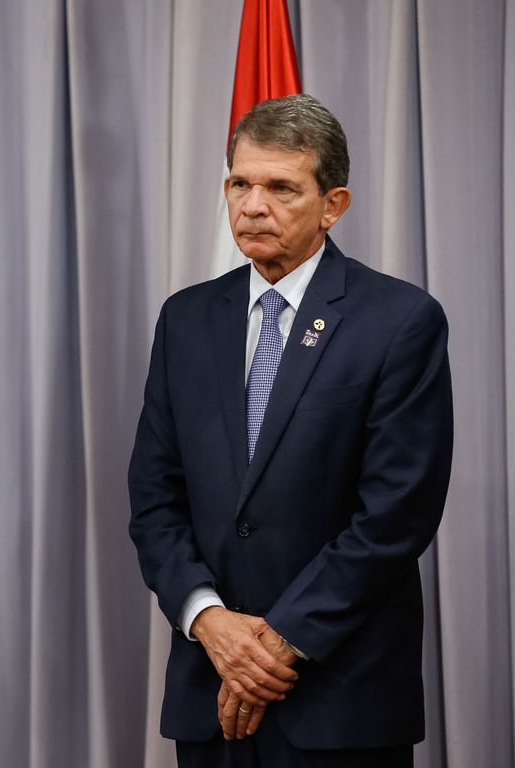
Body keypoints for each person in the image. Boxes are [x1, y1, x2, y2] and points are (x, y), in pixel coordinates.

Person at [128, 94, 452, 767]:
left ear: (334, 204)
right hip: (209, 689)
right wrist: (208, 621)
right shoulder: (185, 320)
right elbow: (155, 499)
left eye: (281, 187)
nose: (253, 205)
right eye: (241, 184)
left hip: (340, 698)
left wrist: (277, 641)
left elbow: (395, 515)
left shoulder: (399, 321)